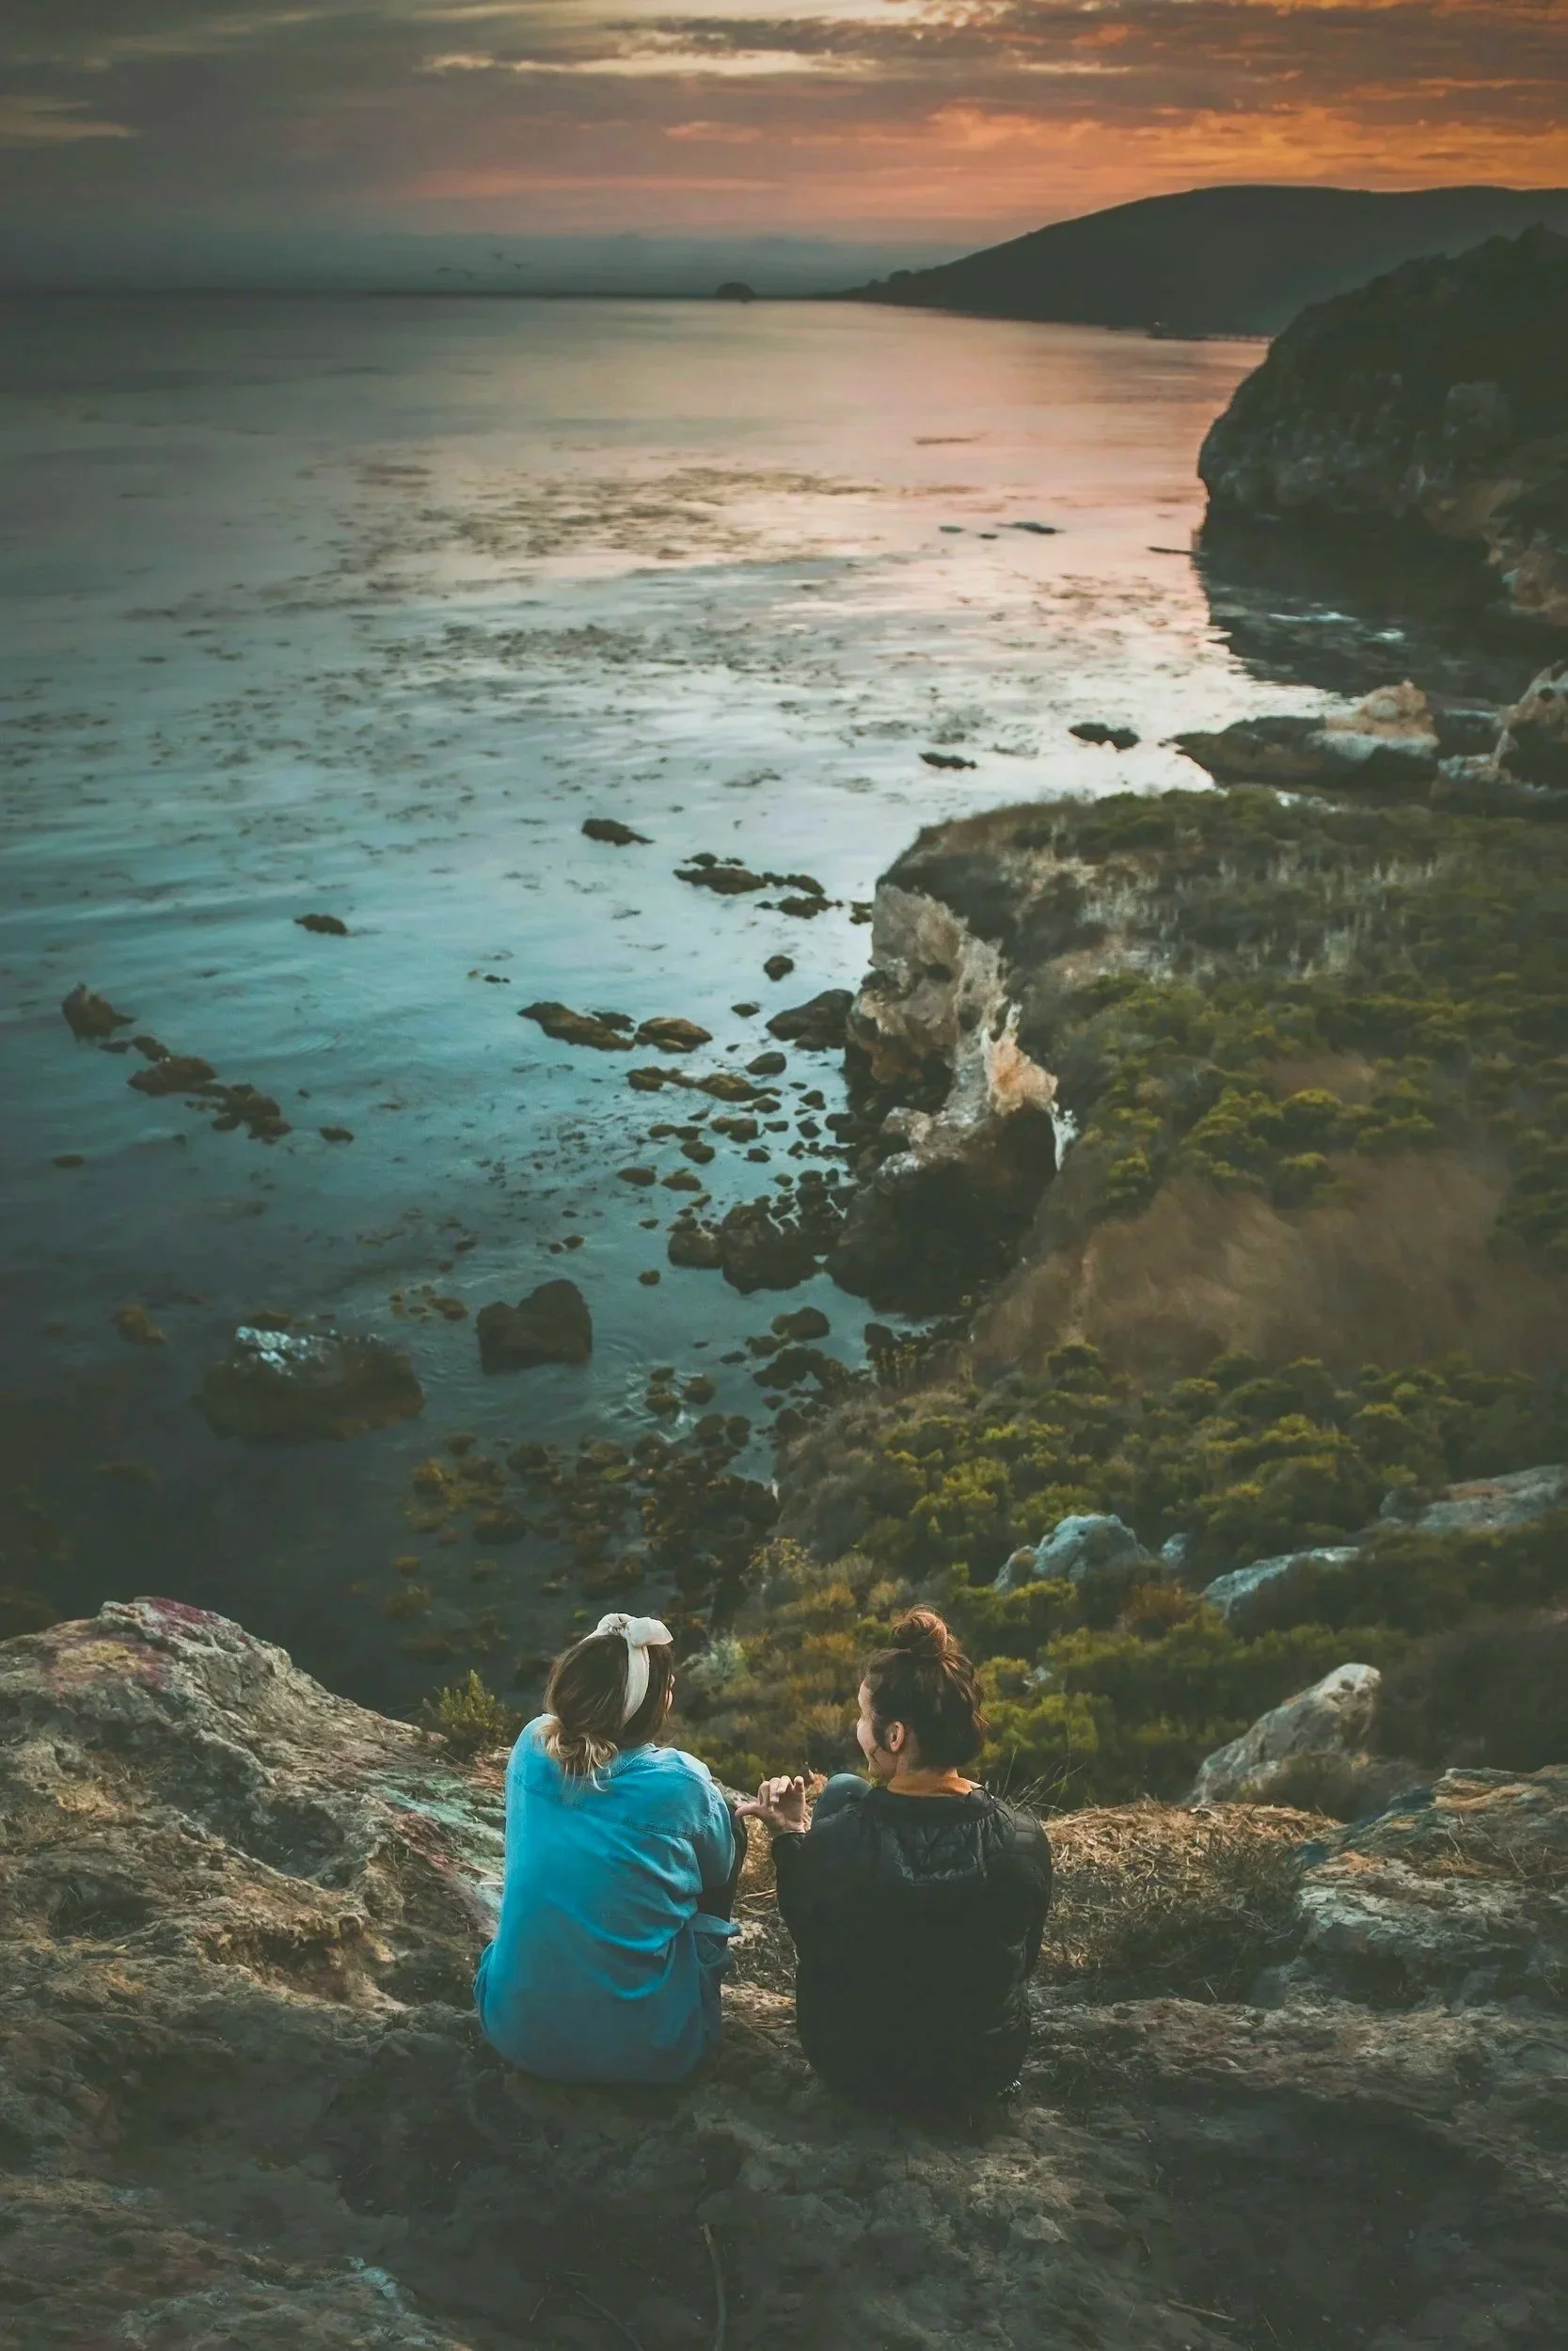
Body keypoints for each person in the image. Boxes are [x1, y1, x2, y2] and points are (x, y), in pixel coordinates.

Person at [742, 1607, 1053, 2116]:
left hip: (859, 2069)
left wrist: (791, 1836)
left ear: (895, 1737)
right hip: (979, 2072)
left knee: (843, 1793)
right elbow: (1023, 1963)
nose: (856, 1727)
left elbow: (811, 1939)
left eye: (865, 1717)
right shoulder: (1022, 1838)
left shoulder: (837, 1841)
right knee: (846, 1789)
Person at [474, 1612, 743, 2086]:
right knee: (729, 1839)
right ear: (652, 1706)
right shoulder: (682, 1784)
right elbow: (716, 1869)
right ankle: (695, 1979)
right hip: (649, 2054)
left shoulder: (530, 1743)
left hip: (514, 2030)